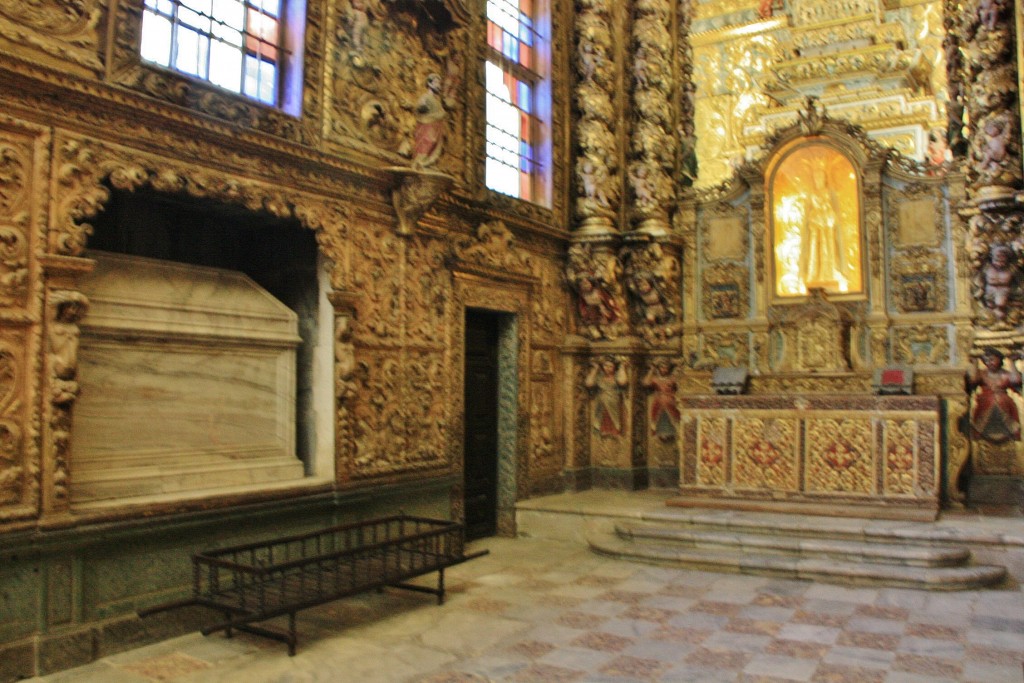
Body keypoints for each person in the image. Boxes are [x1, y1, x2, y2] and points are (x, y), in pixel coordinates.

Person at [966, 347, 1022, 443]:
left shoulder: (1005, 374)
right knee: (991, 400)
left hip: (1004, 405)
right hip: (985, 403)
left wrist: (1012, 363)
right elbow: (973, 381)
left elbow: (1016, 380)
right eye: (986, 360)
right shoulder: (982, 373)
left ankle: (1012, 432)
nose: (989, 363)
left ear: (999, 359)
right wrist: (975, 362)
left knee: (1000, 399)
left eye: (992, 359)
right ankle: (979, 433)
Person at [402, 74, 446, 169]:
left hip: (436, 129)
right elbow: (418, 107)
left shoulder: (437, 102)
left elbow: (441, 113)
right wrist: (413, 106)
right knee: (425, 142)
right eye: (436, 82)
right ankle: (419, 162)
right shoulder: (425, 97)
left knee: (433, 144)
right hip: (426, 126)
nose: (438, 85)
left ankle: (428, 162)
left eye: (439, 83)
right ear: (429, 84)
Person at [642, 358, 678, 441]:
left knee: (671, 420)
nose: (664, 370)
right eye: (662, 367)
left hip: (670, 402)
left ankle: (671, 434)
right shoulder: (655, 379)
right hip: (658, 403)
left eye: (666, 368)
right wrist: (651, 370)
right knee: (659, 419)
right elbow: (646, 383)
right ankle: (661, 434)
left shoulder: (672, 378)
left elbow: (679, 386)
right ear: (659, 368)